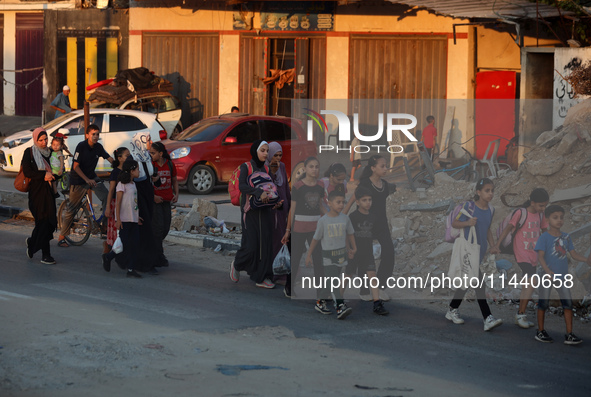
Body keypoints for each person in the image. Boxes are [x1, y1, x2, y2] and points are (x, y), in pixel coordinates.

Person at [445, 178, 503, 331]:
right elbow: (455, 223)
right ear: (478, 192)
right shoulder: (469, 207)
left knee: (466, 283)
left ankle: (452, 309)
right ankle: (488, 318)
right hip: (468, 251)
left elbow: (488, 229)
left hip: (479, 251)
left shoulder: (490, 210)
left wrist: (493, 246)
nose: (490, 194)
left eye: (492, 190)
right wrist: (468, 223)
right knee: (479, 283)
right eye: (487, 190)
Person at [494, 188, 549, 329]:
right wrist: (497, 245)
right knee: (531, 281)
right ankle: (520, 314)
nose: (543, 208)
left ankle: (521, 314)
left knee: (528, 284)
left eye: (545, 205)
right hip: (522, 253)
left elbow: (544, 232)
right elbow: (507, 229)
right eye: (541, 205)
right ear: (532, 202)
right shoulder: (521, 213)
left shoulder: (541, 215)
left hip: (534, 254)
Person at [534, 205, 589, 344]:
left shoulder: (566, 237)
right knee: (543, 303)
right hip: (547, 276)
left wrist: (586, 260)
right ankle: (540, 331)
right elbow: (540, 257)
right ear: (547, 219)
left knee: (568, 304)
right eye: (555, 217)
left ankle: (569, 334)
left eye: (561, 217)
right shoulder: (544, 237)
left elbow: (574, 254)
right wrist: (547, 271)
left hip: (562, 277)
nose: (559, 220)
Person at [344, 155, 395, 301]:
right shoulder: (365, 183)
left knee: (389, 252)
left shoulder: (385, 185)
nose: (385, 169)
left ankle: (380, 287)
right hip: (364, 224)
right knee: (365, 256)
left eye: (386, 166)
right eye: (382, 166)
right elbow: (354, 199)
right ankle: (365, 291)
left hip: (381, 224)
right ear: (373, 168)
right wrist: (342, 217)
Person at [230, 140, 281, 288]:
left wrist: (275, 201)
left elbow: (269, 188)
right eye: (262, 151)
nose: (266, 154)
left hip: (264, 210)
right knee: (251, 245)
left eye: (267, 151)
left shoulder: (266, 168)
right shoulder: (246, 167)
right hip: (250, 211)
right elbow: (243, 186)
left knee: (265, 245)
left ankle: (262, 277)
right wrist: (258, 192)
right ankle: (237, 264)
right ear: (255, 151)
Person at [57, 124, 113, 247]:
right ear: (87, 135)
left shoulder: (98, 147)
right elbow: (75, 166)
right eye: (93, 134)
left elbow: (110, 159)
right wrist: (86, 179)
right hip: (78, 180)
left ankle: (103, 225)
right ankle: (61, 237)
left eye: (97, 134)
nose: (96, 136)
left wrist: (120, 167)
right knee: (71, 209)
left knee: (107, 197)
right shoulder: (81, 147)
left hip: (92, 177)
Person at [306, 190, 356, 319]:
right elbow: (316, 239)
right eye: (338, 202)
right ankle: (340, 306)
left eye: (343, 202)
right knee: (334, 281)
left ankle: (320, 302)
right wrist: (308, 255)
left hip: (341, 255)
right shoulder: (323, 221)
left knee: (330, 282)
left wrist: (352, 248)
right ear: (329, 203)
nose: (341, 205)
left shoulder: (345, 218)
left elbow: (350, 234)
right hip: (328, 256)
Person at [281, 157, 325, 300]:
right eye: (311, 166)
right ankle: (289, 287)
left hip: (315, 229)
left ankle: (321, 293)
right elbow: (292, 210)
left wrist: (334, 217)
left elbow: (320, 206)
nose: (314, 169)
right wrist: (288, 231)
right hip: (298, 229)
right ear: (305, 169)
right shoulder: (298, 186)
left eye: (317, 166)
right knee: (295, 259)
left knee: (319, 261)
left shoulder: (320, 186)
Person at [345, 186, 388, 315]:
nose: (368, 202)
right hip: (354, 252)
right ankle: (338, 300)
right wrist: (349, 250)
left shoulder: (373, 217)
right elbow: (347, 234)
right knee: (348, 276)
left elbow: (374, 233)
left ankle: (377, 303)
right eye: (364, 200)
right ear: (357, 202)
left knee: (372, 276)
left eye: (369, 199)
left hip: (368, 253)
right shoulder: (353, 217)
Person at [102, 159, 143, 279]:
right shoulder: (121, 184)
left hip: (133, 219)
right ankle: (108, 257)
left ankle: (131, 269)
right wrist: (117, 219)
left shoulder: (133, 184)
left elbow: (133, 203)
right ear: (131, 170)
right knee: (124, 244)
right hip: (124, 219)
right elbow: (118, 203)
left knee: (134, 244)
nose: (138, 171)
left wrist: (137, 216)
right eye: (137, 169)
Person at [23, 128, 58, 265]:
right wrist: (43, 175)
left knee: (50, 223)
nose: (44, 142)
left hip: (49, 193)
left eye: (46, 139)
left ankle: (32, 242)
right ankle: (45, 255)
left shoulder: (51, 153)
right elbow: (27, 171)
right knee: (42, 223)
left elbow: (56, 171)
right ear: (35, 140)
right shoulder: (29, 152)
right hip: (36, 193)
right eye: (41, 140)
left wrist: (58, 172)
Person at [128, 132, 160, 274]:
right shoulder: (133, 159)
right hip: (138, 197)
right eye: (148, 140)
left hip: (148, 196)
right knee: (145, 229)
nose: (150, 142)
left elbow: (152, 176)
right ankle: (144, 263)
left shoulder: (147, 157)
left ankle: (146, 261)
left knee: (148, 228)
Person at [150, 141, 179, 267]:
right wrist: (153, 196)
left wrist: (176, 194)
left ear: (160, 154)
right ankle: (158, 255)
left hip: (167, 201)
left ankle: (155, 250)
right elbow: (146, 185)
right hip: (155, 202)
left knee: (166, 228)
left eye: (153, 153)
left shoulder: (170, 165)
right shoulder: (151, 165)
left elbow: (174, 180)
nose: (151, 155)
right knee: (158, 228)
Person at [266, 142, 291, 261]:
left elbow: (285, 186)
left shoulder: (282, 166)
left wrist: (289, 205)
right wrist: (273, 171)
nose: (278, 158)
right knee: (272, 238)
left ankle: (280, 269)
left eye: (280, 155)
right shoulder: (265, 167)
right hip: (271, 208)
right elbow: (268, 185)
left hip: (282, 208)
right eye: (275, 155)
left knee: (281, 237)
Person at [104, 147, 130, 255]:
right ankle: (111, 249)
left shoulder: (128, 171)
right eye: (127, 156)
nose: (129, 157)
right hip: (116, 203)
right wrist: (108, 207)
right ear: (119, 158)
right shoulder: (116, 172)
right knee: (116, 229)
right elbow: (111, 191)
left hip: (126, 203)